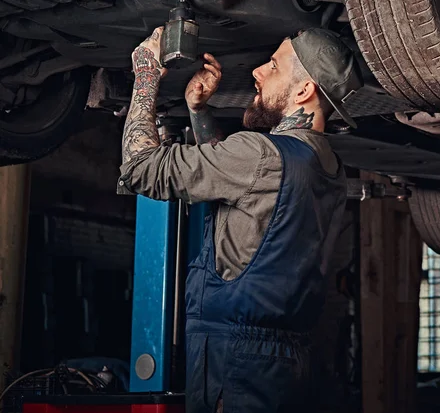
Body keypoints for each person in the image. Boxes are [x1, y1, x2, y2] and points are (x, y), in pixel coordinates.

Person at [117, 26, 363, 413]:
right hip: (283, 363)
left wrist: (146, 73)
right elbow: (245, 188)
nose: (258, 72)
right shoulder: (330, 169)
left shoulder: (261, 155)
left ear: (304, 92)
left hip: (233, 362)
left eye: (274, 66)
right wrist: (199, 113)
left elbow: (140, 169)